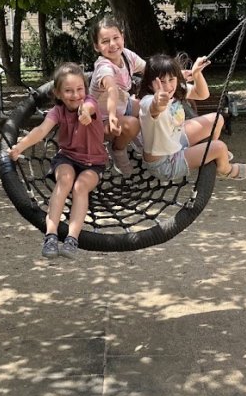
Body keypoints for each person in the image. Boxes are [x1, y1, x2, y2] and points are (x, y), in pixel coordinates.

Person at [8, 62, 108, 259]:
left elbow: (88, 107)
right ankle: (51, 235)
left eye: (80, 89)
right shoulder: (58, 111)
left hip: (93, 163)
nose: (75, 95)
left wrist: (85, 113)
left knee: (80, 187)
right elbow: (41, 131)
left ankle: (72, 238)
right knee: (65, 180)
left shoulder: (89, 103)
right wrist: (19, 147)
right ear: (58, 93)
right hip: (67, 158)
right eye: (68, 91)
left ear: (85, 89)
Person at [138, 53, 246, 181]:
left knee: (217, 119)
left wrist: (197, 74)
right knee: (220, 147)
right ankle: (225, 170)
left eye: (171, 79)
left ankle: (207, 153)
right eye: (161, 81)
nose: (168, 86)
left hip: (175, 140)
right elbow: (154, 109)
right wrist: (158, 103)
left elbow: (202, 94)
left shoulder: (176, 91)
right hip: (165, 163)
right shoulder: (148, 101)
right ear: (149, 84)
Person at [88, 16, 147, 175]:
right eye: (105, 41)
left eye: (116, 38)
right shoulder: (103, 67)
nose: (113, 44)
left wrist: (176, 74)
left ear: (123, 37)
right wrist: (113, 115)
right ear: (97, 47)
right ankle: (117, 149)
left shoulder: (127, 56)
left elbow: (150, 69)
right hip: (101, 121)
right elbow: (112, 89)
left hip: (123, 107)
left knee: (148, 105)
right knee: (132, 124)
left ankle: (138, 139)